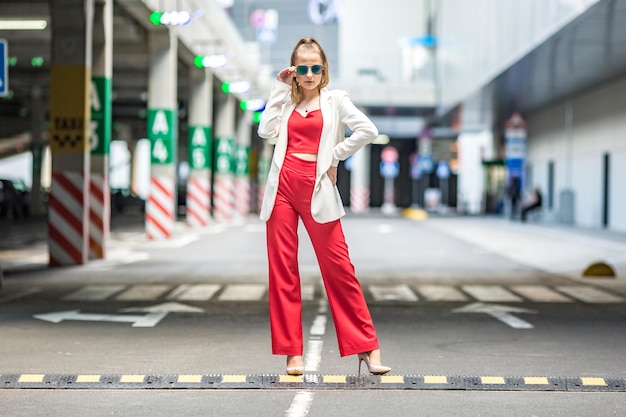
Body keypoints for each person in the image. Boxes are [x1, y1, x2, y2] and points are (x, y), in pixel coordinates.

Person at [257, 38, 390, 376]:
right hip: (283, 188)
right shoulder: (286, 104)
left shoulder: (336, 101)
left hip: (317, 189)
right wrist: (278, 87)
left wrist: (335, 155)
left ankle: (367, 346)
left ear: (324, 69)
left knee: (340, 270)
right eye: (303, 68)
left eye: (316, 67)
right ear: (294, 71)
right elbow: (265, 130)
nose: (310, 73)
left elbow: (367, 130)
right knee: (283, 272)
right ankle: (292, 353)